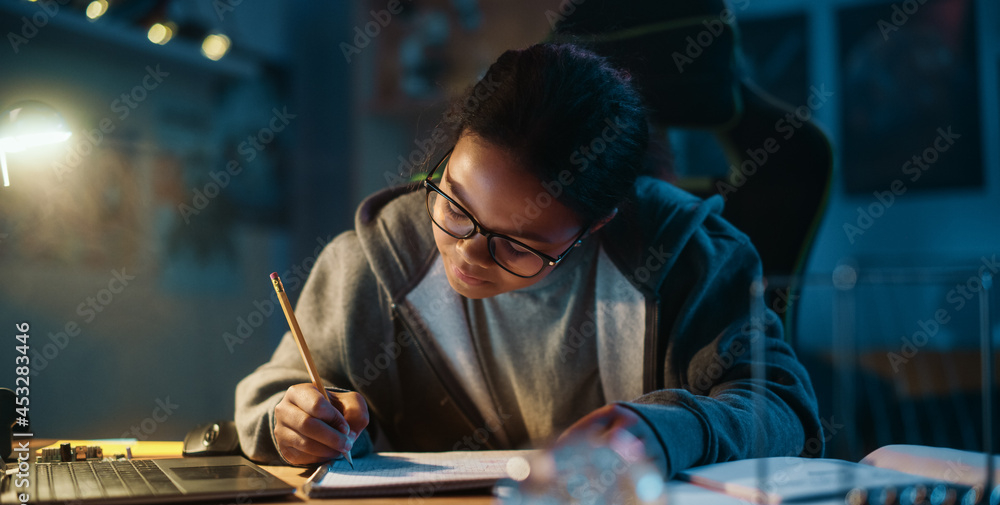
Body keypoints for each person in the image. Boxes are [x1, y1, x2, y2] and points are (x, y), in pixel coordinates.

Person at [234, 43, 822, 477]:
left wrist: (673, 430)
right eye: (455, 204)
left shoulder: (689, 258)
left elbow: (783, 407)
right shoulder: (368, 264)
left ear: (597, 224)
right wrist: (298, 424)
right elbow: (269, 399)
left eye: (518, 243)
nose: (465, 251)